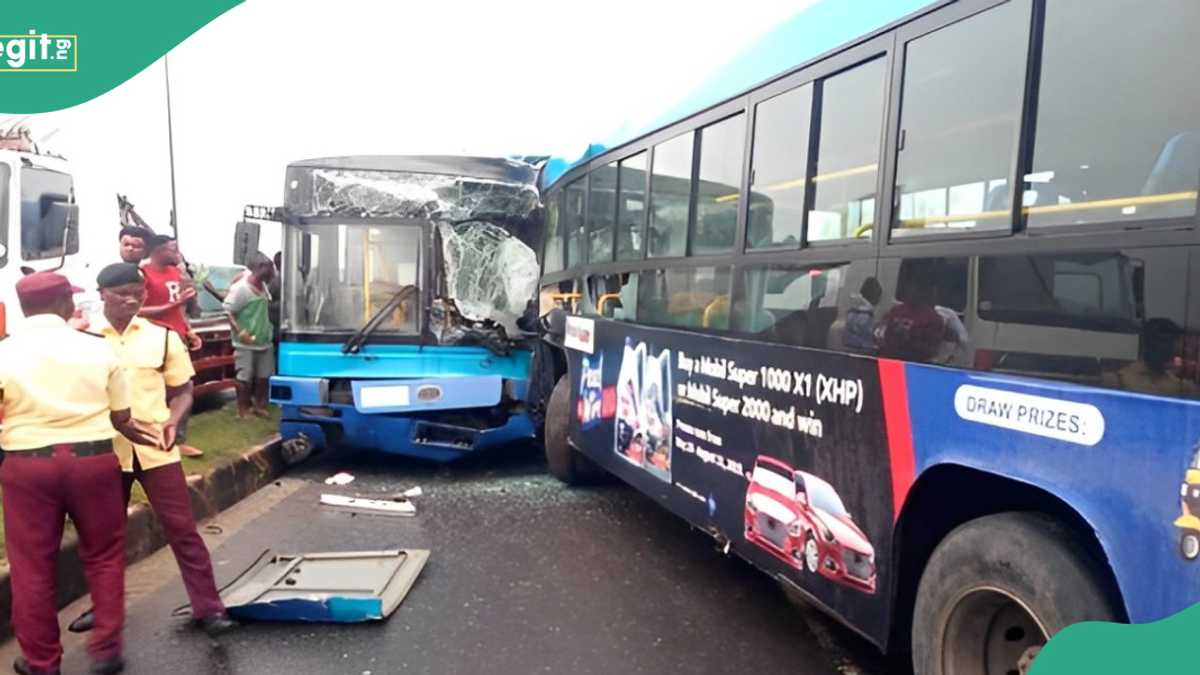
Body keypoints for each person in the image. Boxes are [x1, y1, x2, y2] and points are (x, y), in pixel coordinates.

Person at [0, 271, 162, 675]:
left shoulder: (4, 352)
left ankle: (41, 661)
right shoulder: (99, 349)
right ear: (62, 305)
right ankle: (106, 651)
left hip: (26, 464)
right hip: (93, 462)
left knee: (32, 565)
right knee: (104, 555)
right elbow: (122, 416)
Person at [67, 264, 237, 639]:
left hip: (157, 449)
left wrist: (174, 420)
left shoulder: (164, 337)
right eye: (122, 292)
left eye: (138, 292)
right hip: (103, 450)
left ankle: (208, 607)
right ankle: (104, 607)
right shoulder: (83, 339)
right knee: (104, 536)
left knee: (181, 529)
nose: (132, 299)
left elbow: (183, 390)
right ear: (101, 294)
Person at [139, 235, 204, 457]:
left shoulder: (175, 273)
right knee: (157, 391)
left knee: (183, 388)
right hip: (152, 339)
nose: (176, 253)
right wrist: (170, 305)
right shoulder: (143, 274)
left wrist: (189, 331)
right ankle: (154, 436)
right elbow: (137, 309)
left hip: (177, 338)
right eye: (171, 249)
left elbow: (181, 310)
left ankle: (178, 438)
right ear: (157, 250)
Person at [224, 252, 276, 418]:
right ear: (259, 269)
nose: (270, 274)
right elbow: (229, 312)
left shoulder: (263, 285)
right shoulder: (241, 289)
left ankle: (260, 405)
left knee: (264, 377)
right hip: (245, 342)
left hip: (264, 339)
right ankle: (243, 409)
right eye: (267, 270)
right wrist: (240, 331)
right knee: (244, 377)